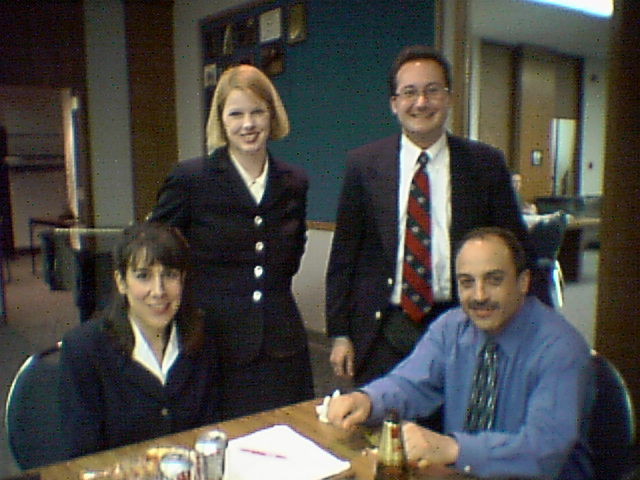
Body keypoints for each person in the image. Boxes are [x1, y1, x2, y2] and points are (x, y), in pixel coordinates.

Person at [326, 45, 539, 386]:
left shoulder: (485, 165)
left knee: (457, 417)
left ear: (449, 98)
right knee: (383, 417)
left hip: (463, 324)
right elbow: (344, 255)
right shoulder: (363, 165)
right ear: (394, 103)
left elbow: (519, 250)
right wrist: (340, 333)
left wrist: (535, 328)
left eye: (432, 90)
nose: (421, 102)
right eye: (409, 92)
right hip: (383, 330)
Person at [327, 227, 593, 480]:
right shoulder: (451, 327)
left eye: (494, 280)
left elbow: (545, 450)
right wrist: (368, 400)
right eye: (467, 282)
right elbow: (410, 384)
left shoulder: (561, 348)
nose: (479, 295)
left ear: (523, 282)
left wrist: (453, 449)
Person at [149, 64, 314, 419]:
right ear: (221, 120)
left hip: (282, 345)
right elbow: (155, 251)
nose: (248, 124)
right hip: (213, 345)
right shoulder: (191, 179)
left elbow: (292, 254)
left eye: (257, 112)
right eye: (236, 114)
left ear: (272, 115)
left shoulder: (294, 182)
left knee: (290, 438)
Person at [59, 223, 220, 458]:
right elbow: (84, 454)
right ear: (121, 282)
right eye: (143, 276)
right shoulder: (84, 349)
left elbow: (211, 435)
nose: (158, 291)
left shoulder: (201, 338)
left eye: (170, 275)